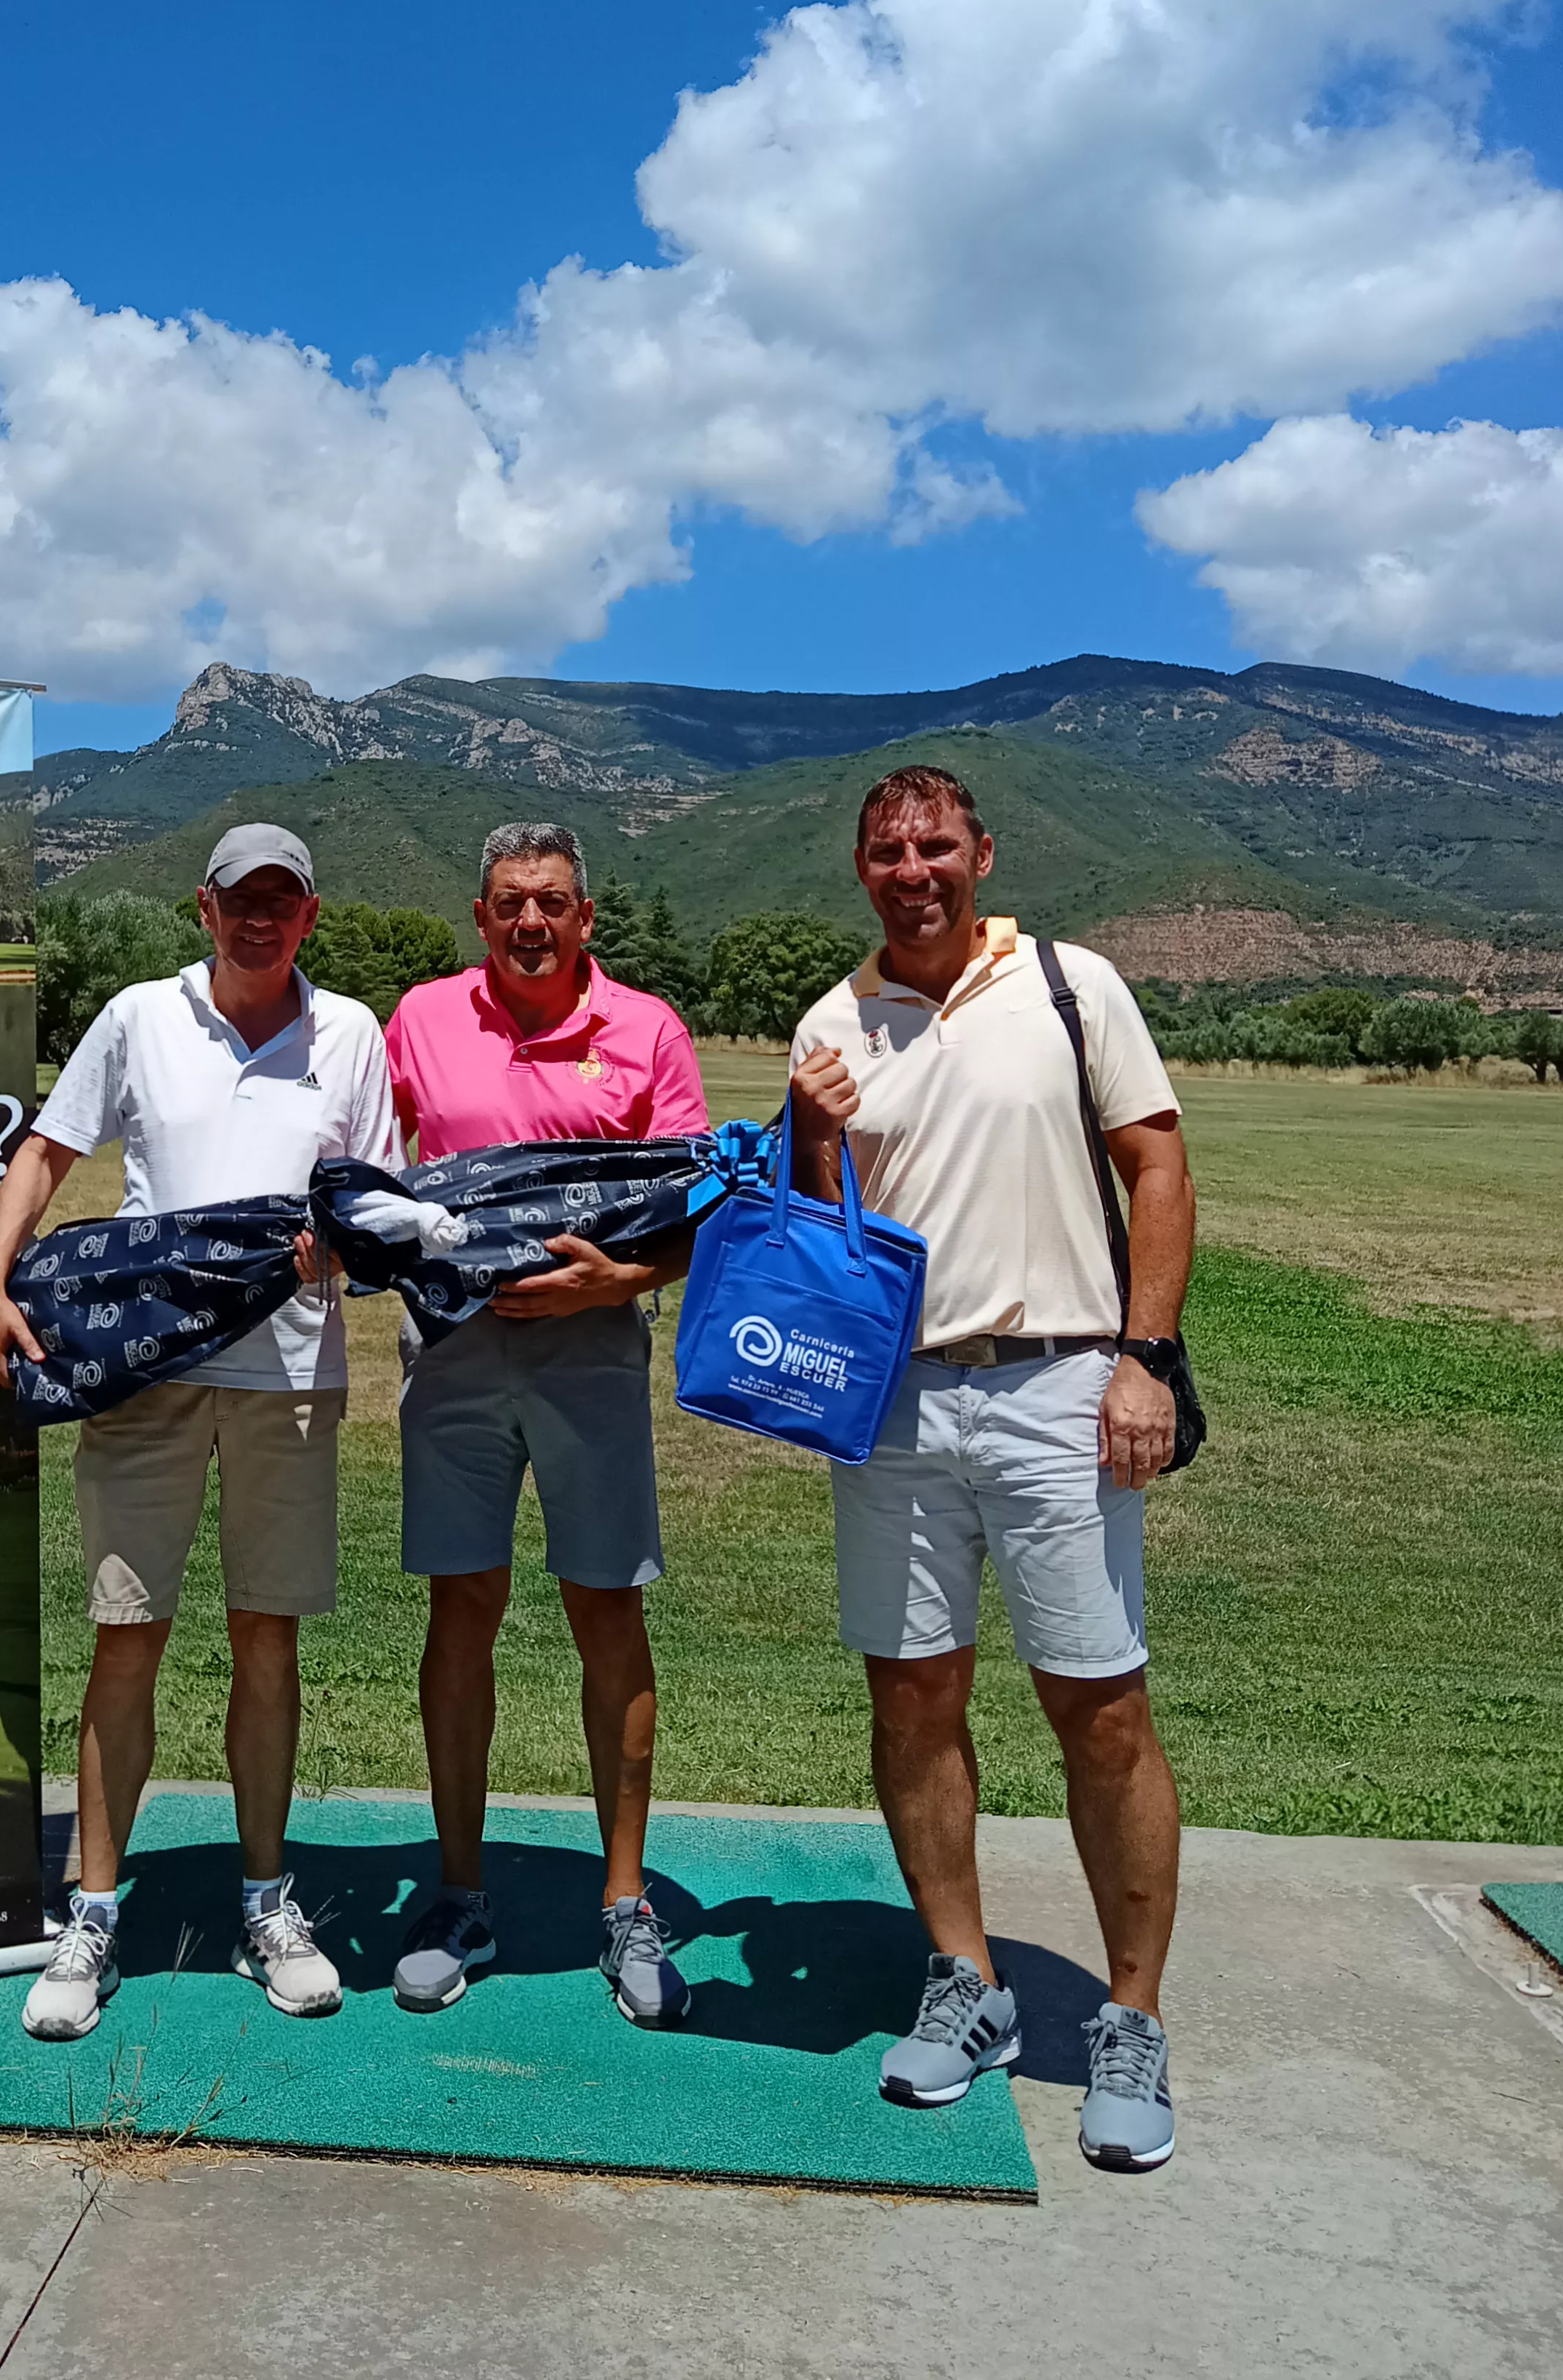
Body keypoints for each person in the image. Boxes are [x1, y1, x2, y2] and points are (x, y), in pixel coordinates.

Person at [788, 765, 1194, 2172]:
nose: (915, 869)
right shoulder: (834, 1020)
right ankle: (968, 1982)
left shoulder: (1071, 985)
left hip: (1062, 1386)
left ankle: (1129, 2017)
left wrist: (1147, 1356)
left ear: (981, 854)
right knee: (913, 1699)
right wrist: (816, 1126)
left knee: (1100, 1706)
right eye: (889, 850)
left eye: (937, 845)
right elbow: (813, 1229)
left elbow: (1155, 1165)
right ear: (860, 869)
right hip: (896, 1404)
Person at [0, 824, 401, 2041]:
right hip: (146, 1373)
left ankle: (268, 1903)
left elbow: (377, 1205)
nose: (263, 920)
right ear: (202, 909)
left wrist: (345, 1253)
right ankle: (94, 1913)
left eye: (286, 902)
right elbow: (47, 1152)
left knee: (268, 1644)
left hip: (292, 1379)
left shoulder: (350, 1034)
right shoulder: (137, 1017)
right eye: (242, 901)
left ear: (309, 917)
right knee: (126, 1639)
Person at [380, 822, 710, 2027]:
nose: (533, 923)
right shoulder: (417, 1019)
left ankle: (625, 1903)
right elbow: (372, 1175)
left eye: (555, 904)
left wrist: (613, 1282)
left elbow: (693, 1206)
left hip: (590, 1359)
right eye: (512, 902)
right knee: (460, 1608)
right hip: (455, 1361)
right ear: (481, 915)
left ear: (585, 920)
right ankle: (459, 1893)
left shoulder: (650, 1029)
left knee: (604, 1607)